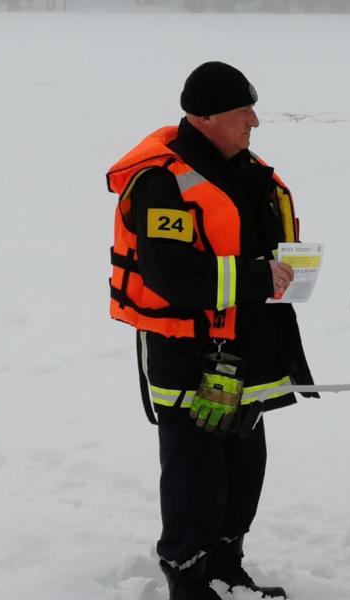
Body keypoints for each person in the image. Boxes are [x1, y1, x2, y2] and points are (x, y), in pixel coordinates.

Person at [106, 61, 317, 600]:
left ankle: (227, 566)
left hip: (246, 349)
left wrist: (291, 269)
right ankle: (190, 576)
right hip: (186, 355)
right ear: (205, 117)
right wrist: (256, 276)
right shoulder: (162, 181)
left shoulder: (246, 170)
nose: (254, 121)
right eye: (242, 111)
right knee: (195, 470)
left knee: (244, 465)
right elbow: (171, 275)